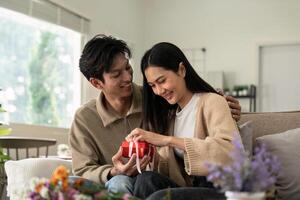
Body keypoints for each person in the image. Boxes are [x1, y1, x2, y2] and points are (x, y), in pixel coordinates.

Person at [69, 35, 241, 199]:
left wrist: (226, 106)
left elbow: (197, 104)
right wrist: (115, 171)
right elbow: (82, 170)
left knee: (150, 188)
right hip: (133, 181)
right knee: (130, 181)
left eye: (128, 68)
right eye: (116, 74)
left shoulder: (159, 101)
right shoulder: (85, 119)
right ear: (97, 83)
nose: (128, 77)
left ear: (181, 69)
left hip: (213, 186)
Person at [126, 42, 243, 199]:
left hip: (224, 191)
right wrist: (146, 153)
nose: (159, 91)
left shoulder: (212, 101)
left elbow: (231, 154)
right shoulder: (170, 116)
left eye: (162, 81)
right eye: (152, 85)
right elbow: (171, 171)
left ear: (181, 70)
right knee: (145, 180)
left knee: (159, 198)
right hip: (189, 190)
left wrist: (167, 140)